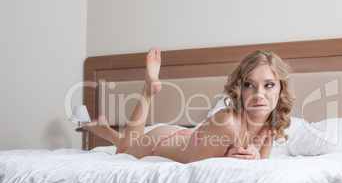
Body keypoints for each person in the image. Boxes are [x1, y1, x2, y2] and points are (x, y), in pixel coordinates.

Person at [83, 47, 295, 163]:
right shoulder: (228, 123)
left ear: (280, 90)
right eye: (250, 85)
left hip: (186, 137)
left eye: (268, 85)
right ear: (240, 89)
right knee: (123, 153)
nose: (259, 95)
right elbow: (194, 170)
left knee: (123, 144)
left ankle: (105, 130)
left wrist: (255, 158)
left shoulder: (270, 124)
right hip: (161, 142)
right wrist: (225, 161)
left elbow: (262, 167)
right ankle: (147, 91)